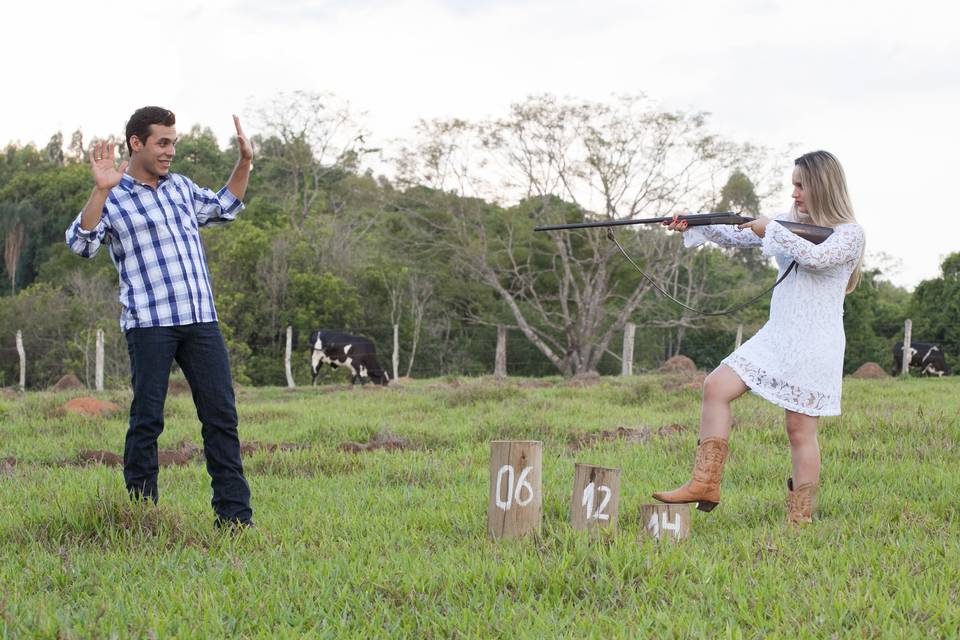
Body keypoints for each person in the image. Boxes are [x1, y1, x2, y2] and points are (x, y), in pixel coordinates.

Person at [652, 150, 865, 524]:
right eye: (793, 185)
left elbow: (817, 258)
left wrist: (774, 229)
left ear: (822, 186)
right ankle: (705, 482)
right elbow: (737, 234)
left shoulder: (849, 234)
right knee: (715, 386)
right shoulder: (787, 222)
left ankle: (800, 518)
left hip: (816, 342)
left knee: (799, 430)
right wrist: (695, 224)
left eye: (802, 185)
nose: (795, 193)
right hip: (777, 335)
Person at [65, 106, 254, 528]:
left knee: (221, 416)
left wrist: (244, 162)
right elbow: (81, 244)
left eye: (173, 143)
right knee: (148, 419)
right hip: (149, 324)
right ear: (137, 143)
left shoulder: (181, 188)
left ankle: (235, 518)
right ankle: (141, 516)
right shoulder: (113, 196)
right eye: (162, 143)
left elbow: (226, 206)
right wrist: (99, 191)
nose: (170, 151)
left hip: (201, 320)